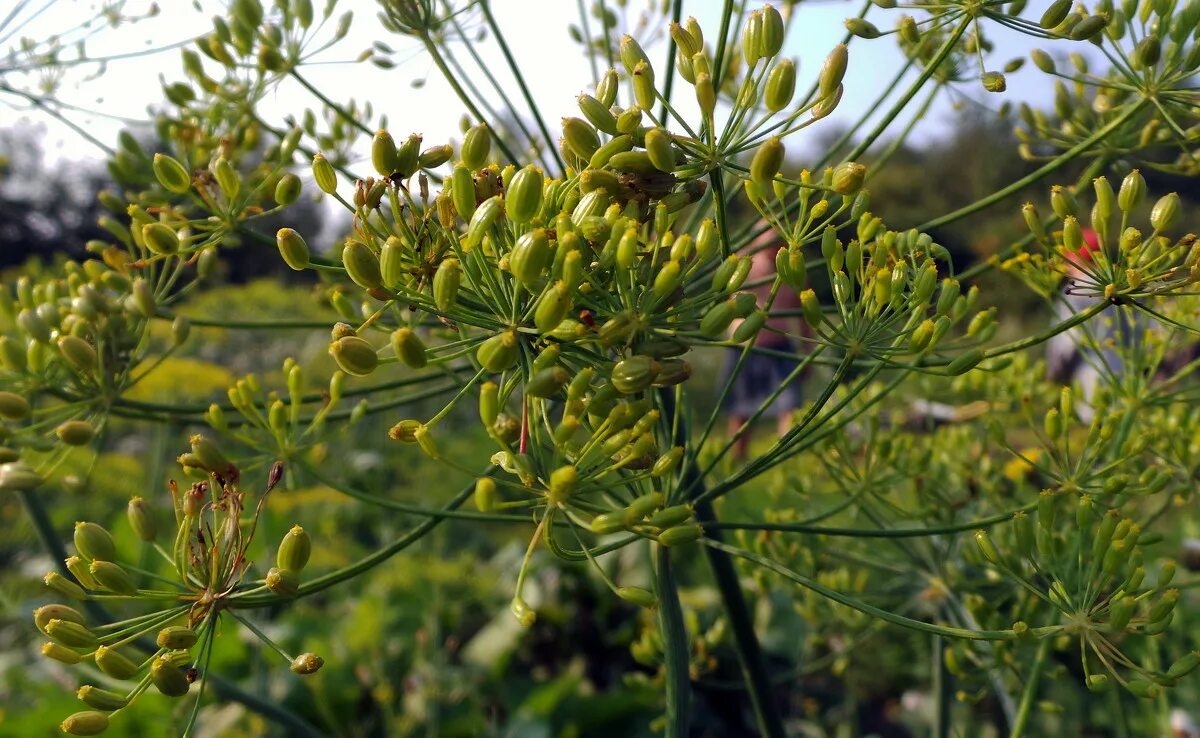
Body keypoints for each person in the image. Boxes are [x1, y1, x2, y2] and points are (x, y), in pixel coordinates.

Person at [721, 224, 807, 461]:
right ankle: (736, 458)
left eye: (777, 240)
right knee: (741, 409)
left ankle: (786, 458)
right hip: (745, 349)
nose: (773, 245)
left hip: (781, 349)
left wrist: (808, 352)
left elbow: (803, 312)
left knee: (789, 406)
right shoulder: (743, 265)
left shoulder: (792, 269)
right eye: (768, 240)